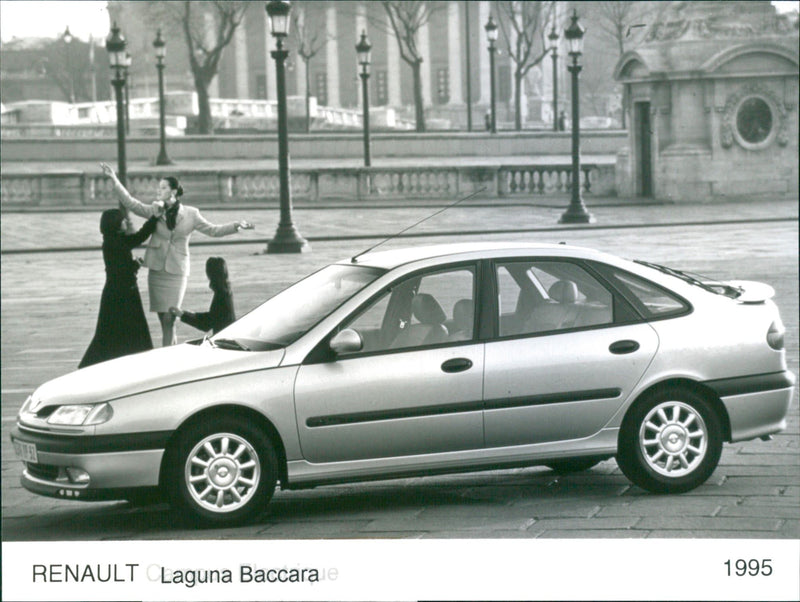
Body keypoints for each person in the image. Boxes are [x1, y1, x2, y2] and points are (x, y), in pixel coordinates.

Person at [99, 162, 254, 346]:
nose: (159, 191)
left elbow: (213, 230)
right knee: (164, 321)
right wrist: (114, 178)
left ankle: (167, 358)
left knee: (170, 318)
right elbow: (131, 203)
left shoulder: (191, 213)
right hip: (157, 271)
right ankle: (170, 355)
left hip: (177, 271)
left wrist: (236, 225)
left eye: (163, 188)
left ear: (173, 192)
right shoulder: (154, 210)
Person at [79, 209, 159, 368]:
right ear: (115, 223)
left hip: (117, 292)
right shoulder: (116, 241)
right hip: (122, 293)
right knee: (130, 331)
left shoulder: (112, 240)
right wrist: (154, 218)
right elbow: (139, 238)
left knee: (111, 333)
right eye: (122, 220)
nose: (125, 222)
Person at [169, 256, 235, 335]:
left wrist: (182, 315)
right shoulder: (226, 291)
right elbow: (213, 316)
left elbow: (206, 324)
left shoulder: (221, 295)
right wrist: (191, 314)